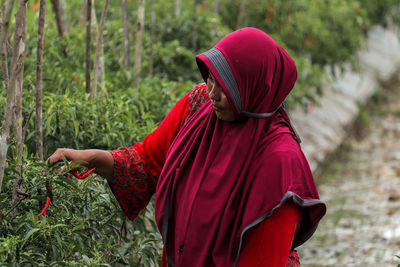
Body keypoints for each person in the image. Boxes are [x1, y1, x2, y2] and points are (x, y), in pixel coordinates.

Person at [48, 28, 326, 267]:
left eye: (225, 86)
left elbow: (262, 259)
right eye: (211, 77)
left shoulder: (279, 162)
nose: (211, 92)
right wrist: (93, 159)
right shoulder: (199, 108)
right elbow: (146, 163)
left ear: (254, 88)